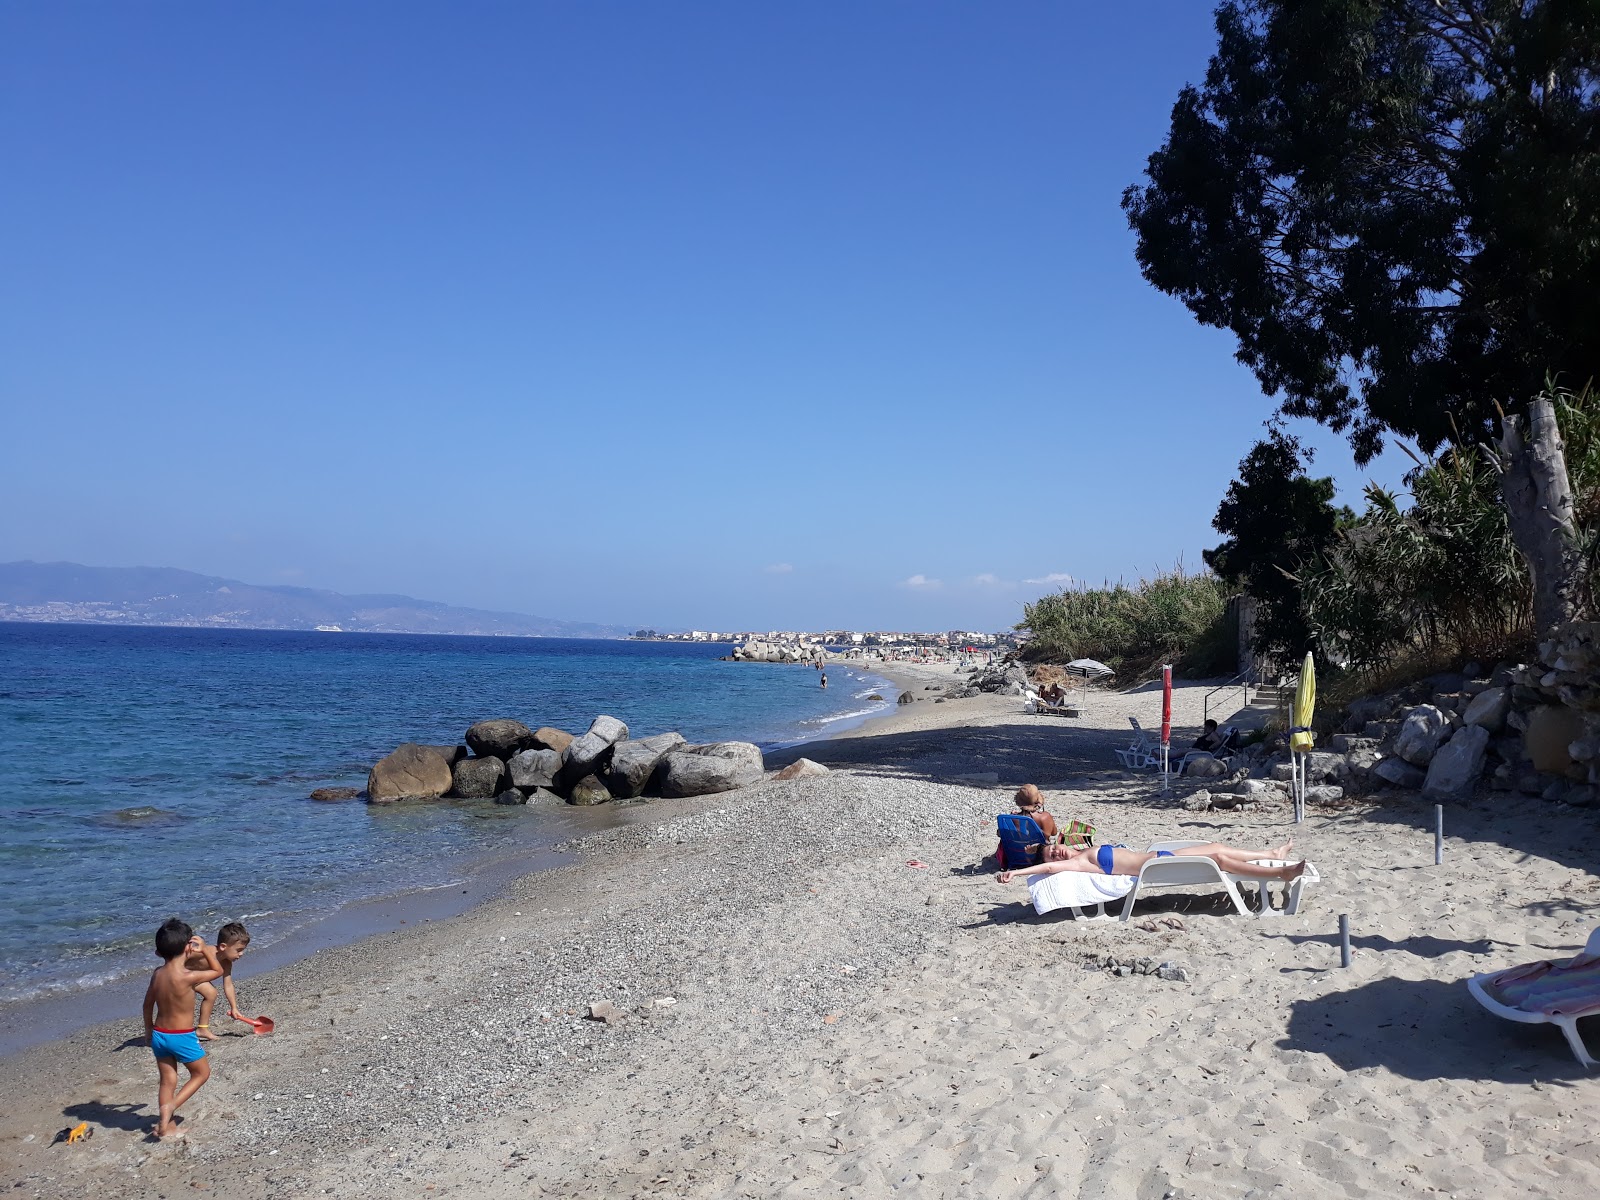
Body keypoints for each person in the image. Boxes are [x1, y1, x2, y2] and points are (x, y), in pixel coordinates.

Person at [142, 918, 224, 1138]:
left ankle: (166, 1126)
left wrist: (148, 1030)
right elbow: (217, 970)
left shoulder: (158, 974)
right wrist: (206, 949)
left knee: (168, 1080)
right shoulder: (189, 976)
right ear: (189, 947)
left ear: (159, 953)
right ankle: (169, 1110)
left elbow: (147, 1004)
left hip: (160, 1034)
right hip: (182, 1036)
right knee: (202, 1073)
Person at [996, 838, 1305, 885]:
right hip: (1155, 868)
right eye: (1053, 855)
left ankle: (1271, 855)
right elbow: (1048, 868)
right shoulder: (1081, 863)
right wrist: (1018, 871)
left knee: (1215, 845)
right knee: (1219, 859)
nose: (1057, 853)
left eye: (1055, 847)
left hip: (1160, 856)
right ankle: (1279, 874)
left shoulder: (1082, 849)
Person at [189, 922, 251, 1040]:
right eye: (238, 950)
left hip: (196, 981)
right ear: (223, 947)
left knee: (211, 993)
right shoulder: (204, 951)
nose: (241, 954)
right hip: (180, 979)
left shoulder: (226, 963)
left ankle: (202, 1029)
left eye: (243, 950)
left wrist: (234, 1007)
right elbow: (182, 956)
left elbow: (228, 985)